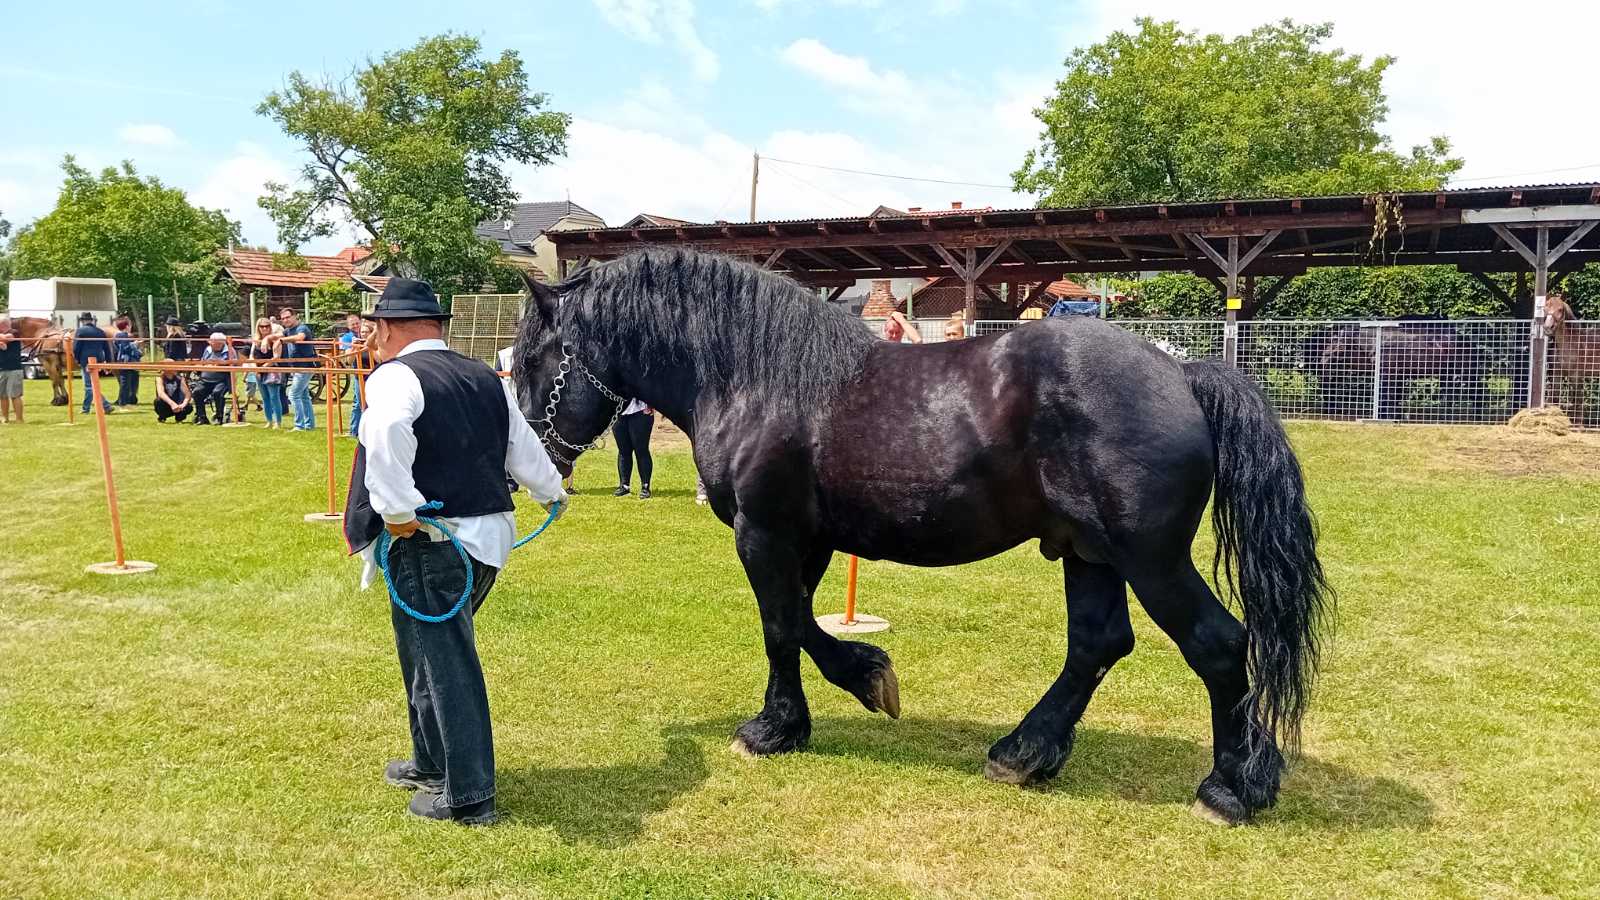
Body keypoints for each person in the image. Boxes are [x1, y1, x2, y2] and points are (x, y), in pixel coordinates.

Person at [344, 278, 566, 826]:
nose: (371, 337)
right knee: (424, 652)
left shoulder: (394, 377)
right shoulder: (484, 376)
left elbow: (387, 431)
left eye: (375, 327)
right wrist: (550, 492)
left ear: (391, 327)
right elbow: (523, 443)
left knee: (447, 666)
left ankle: (468, 795)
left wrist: (396, 515)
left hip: (435, 541)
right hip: (487, 539)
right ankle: (430, 761)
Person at [276, 306, 317, 431]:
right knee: (304, 397)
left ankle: (299, 425)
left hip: (305, 367)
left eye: (288, 317)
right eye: (283, 319)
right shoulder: (288, 331)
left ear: (295, 316)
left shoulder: (302, 328)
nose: (286, 320)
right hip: (296, 367)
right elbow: (276, 336)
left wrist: (281, 340)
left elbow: (300, 338)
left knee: (293, 395)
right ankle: (309, 425)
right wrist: (267, 339)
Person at [612, 399, 655, 499]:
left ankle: (645, 487)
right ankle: (624, 486)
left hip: (640, 411)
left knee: (641, 450)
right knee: (623, 450)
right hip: (619, 412)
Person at [73, 313, 115, 415]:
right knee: (93, 384)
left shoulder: (80, 331)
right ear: (91, 320)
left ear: (82, 321)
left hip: (86, 361)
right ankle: (102, 406)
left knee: (89, 385)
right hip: (99, 360)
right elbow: (107, 348)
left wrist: (77, 360)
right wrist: (108, 362)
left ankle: (93, 407)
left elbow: (76, 348)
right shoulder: (100, 332)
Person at [192, 332, 236, 425]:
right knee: (197, 392)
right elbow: (203, 362)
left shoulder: (229, 350)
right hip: (205, 379)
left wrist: (220, 363)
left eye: (215, 343)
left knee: (217, 393)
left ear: (222, 343)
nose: (212, 345)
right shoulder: (208, 349)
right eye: (211, 343)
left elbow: (234, 364)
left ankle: (219, 417)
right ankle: (202, 417)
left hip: (222, 380)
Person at [252, 319, 285, 429]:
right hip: (258, 372)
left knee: (274, 397)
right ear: (258, 328)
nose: (265, 328)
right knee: (265, 398)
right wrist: (255, 368)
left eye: (267, 326)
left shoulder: (275, 339)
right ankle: (269, 421)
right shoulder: (256, 341)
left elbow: (276, 358)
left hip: (272, 371)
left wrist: (264, 367)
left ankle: (278, 422)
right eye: (262, 326)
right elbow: (252, 356)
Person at [340, 312, 368, 437]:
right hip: (359, 374)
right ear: (348, 326)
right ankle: (355, 431)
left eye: (357, 323)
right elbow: (348, 361)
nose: (356, 326)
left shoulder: (369, 332)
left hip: (374, 372)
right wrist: (355, 347)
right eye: (353, 324)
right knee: (359, 403)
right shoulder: (347, 338)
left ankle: (363, 430)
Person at [112, 316, 142, 406]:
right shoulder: (122, 335)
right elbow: (125, 348)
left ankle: (130, 399)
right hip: (126, 361)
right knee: (126, 382)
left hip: (127, 361)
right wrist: (135, 344)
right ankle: (123, 401)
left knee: (129, 381)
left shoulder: (121, 335)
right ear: (126, 326)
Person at [0, 317, 24, 424]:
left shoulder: (14, 332)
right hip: (1, 369)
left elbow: (7, 338)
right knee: (2, 395)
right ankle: (5, 418)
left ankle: (19, 419)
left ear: (3, 325)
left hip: (14, 369)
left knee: (15, 395)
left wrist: (3, 341)